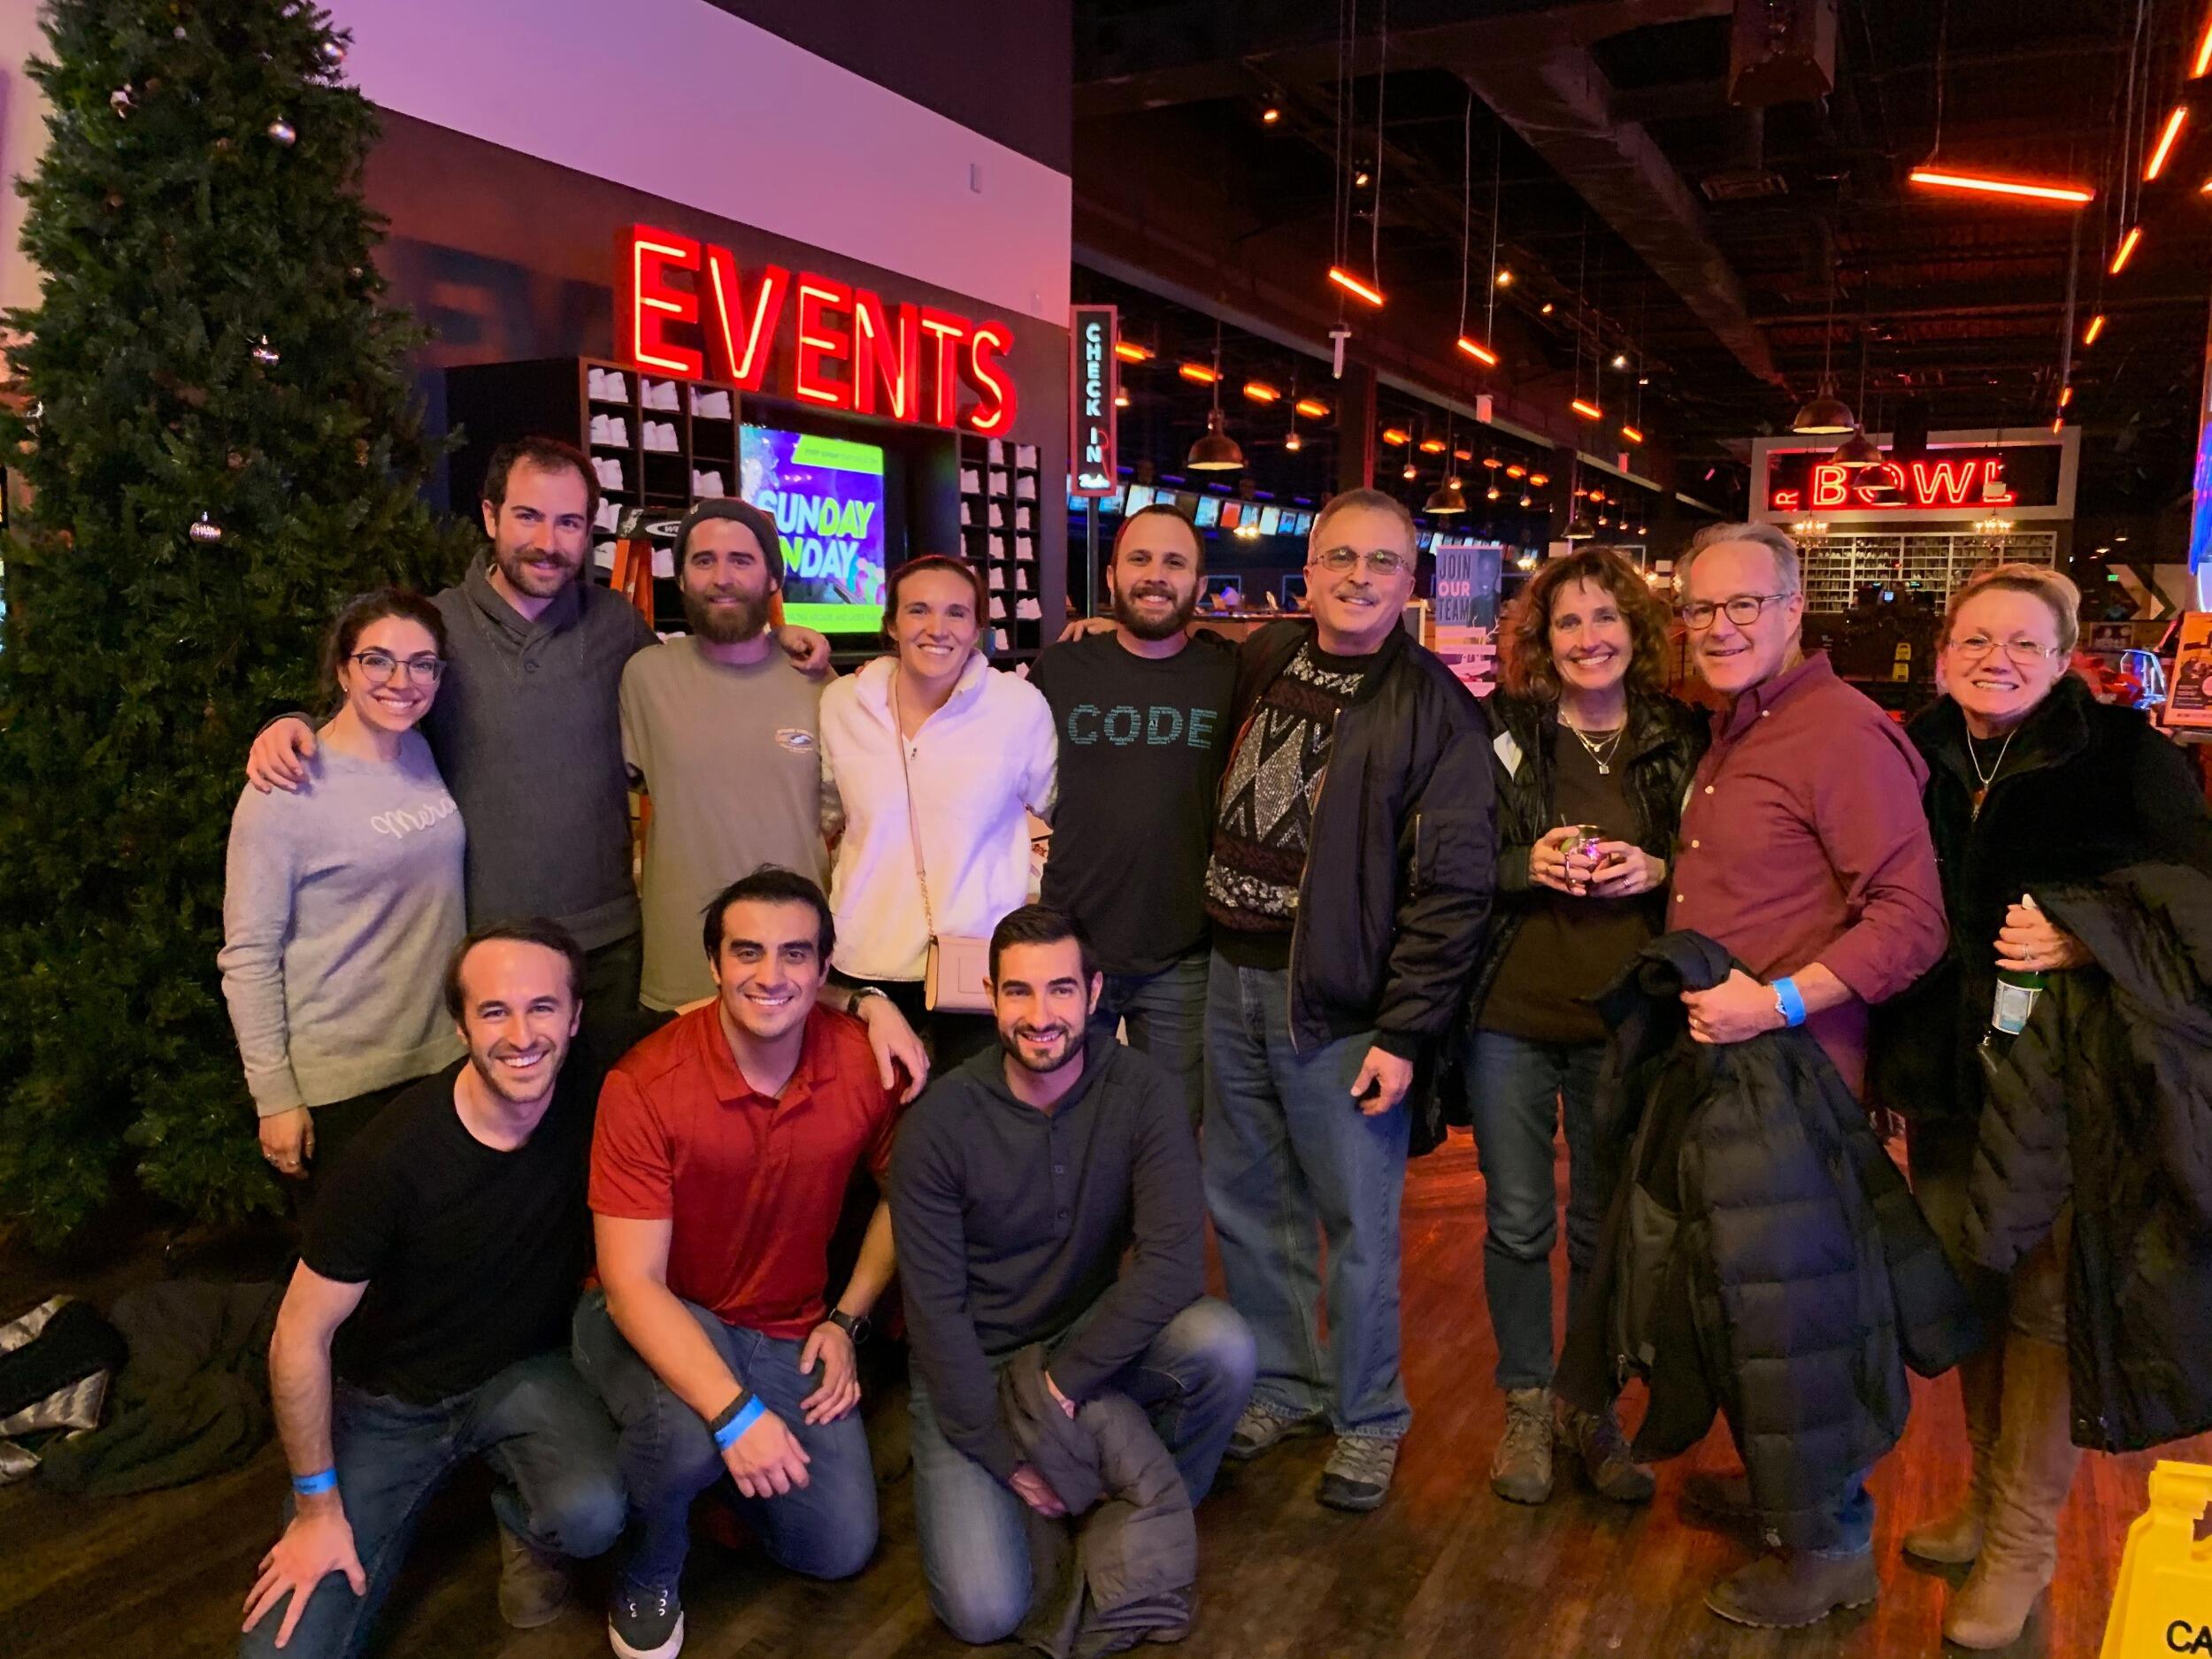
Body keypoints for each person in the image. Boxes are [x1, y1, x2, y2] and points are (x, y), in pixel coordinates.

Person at [1871, 565, 2212, 1649]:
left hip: (2069, 1085)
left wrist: (2080, 937)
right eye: (1974, 641)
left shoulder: (2129, 760)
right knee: (1970, 1287)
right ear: (1942, 654)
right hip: (1943, 1076)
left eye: (2022, 643)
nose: (1996, 661)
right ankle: (1981, 1504)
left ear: (2068, 656)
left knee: (2043, 1309)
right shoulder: (1909, 753)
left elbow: (2191, 909)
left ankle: (2022, 1544)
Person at [243, 438, 832, 1043]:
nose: (549, 542)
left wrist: (780, 644)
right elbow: (375, 705)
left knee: (608, 1121)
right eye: (528, 516)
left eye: (569, 523)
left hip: (612, 948)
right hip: (493, 947)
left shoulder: (615, 625)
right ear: (491, 515)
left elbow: (705, 686)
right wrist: (294, 725)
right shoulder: (440, 628)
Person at [1665, 520, 1947, 1628]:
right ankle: (1796, 1498)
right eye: (1702, 608)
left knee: (1803, 1320)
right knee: (1757, 1310)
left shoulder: (1836, 732)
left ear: (1793, 611)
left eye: (1746, 605)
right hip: (1735, 1075)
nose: (1721, 627)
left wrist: (1775, 1000)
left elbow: (1912, 921)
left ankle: (1829, 1541)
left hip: (1795, 1077)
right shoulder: (1742, 727)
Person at [1203, 488, 1494, 1513]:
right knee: (1245, 1202)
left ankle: (1369, 1416)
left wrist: (1407, 1029)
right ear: (1310, 570)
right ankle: (1283, 1382)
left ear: (1408, 583)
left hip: (1337, 1005)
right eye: (1341, 559)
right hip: (1228, 975)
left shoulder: (1436, 709)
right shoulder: (1265, 659)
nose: (1359, 578)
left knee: (1357, 1225)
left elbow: (1454, 890)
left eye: (1382, 562)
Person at [238, 921, 626, 1659]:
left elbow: (743, 1002)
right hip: (390, 1403)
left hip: (522, 1372)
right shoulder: (387, 1161)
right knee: (283, 1654)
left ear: (576, 1017)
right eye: (493, 1011)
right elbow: (298, 1335)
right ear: (460, 1025)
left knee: (594, 1513)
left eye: (543, 1008)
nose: (522, 1034)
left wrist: (863, 999)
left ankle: (520, 1513)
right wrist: (318, 1508)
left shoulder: (594, 1071)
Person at [888, 904, 1255, 1645]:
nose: (1040, 1014)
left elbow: (1174, 1264)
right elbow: (935, 1316)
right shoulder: (938, 1123)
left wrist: (1060, 1388)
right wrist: (1007, 1453)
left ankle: (1135, 1510)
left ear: (1094, 994)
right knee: (984, 1610)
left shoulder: (1143, 1092)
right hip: (972, 1365)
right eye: (1018, 992)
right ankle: (1060, 1486)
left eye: (1060, 990)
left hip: (1079, 1343)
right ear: (990, 995)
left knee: (1222, 1344)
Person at [575, 867, 904, 1659]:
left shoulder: (862, 1060)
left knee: (839, 1546)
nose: (771, 974)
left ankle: (707, 1481)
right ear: (715, 965)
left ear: (825, 972)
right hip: (650, 1309)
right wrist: (737, 1415)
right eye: (747, 951)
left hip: (785, 1326)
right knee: (691, 1434)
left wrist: (848, 1317)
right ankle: (651, 1566)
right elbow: (629, 1284)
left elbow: (906, 1199)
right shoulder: (645, 1082)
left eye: (796, 955)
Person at [1462, 546, 1707, 1507]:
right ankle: (1525, 1402)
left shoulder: (1679, 736)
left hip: (1627, 1021)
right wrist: (1527, 863)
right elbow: (1447, 856)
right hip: (1509, 1017)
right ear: (1541, 640)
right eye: (1568, 622)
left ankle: (1587, 1403)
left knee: (1605, 1227)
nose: (1588, 637)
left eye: (1606, 618)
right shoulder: (1500, 730)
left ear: (1636, 633)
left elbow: (1719, 866)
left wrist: (1658, 871)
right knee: (1518, 1222)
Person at [219, 589, 465, 1193]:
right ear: (342, 668)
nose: (400, 680)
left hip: (441, 1058)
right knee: (354, 1275)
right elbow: (249, 953)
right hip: (344, 1081)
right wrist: (273, 1094)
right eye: (377, 660)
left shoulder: (422, 751)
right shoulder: (286, 786)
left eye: (421, 663)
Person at [1030, 503, 1236, 1127]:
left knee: (1170, 1131)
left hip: (1182, 953)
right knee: (1060, 1123)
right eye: (1140, 559)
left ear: (1198, 584)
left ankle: (1156, 1231)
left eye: (1175, 562)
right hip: (1068, 944)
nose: (1155, 575)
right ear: (1112, 574)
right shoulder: (1061, 668)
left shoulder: (1230, 673)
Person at [818, 555, 1057, 1064]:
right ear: (891, 624)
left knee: (966, 1127)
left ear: (977, 628)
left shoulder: (1017, 707)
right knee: (873, 1126)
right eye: (918, 610)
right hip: (864, 958)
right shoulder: (842, 703)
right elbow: (823, 816)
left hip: (979, 963)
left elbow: (1062, 809)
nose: (937, 628)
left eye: (956, 613)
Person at [621, 499, 833, 1013]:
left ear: (772, 580)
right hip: (681, 962)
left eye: (741, 560)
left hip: (792, 963)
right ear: (681, 579)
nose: (722, 577)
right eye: (703, 560)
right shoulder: (645, 677)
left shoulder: (819, 683)